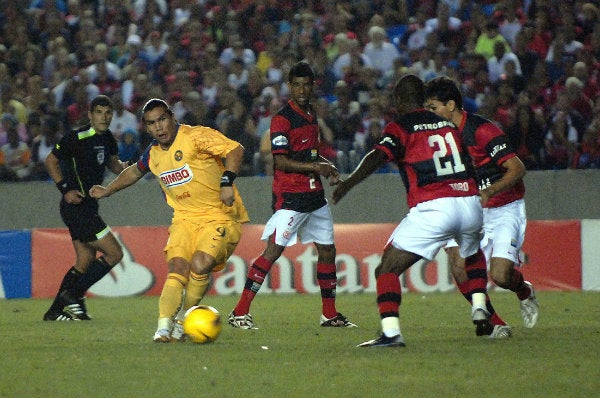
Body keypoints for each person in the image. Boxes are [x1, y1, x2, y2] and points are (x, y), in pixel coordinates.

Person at [332, 74, 489, 347]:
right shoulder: (448, 125)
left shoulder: (401, 126)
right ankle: (478, 305)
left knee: (387, 269)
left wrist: (349, 183)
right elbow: (469, 162)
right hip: (469, 200)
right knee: (471, 252)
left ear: (401, 99)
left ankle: (391, 333)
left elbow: (378, 155)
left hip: (433, 205)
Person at [89, 98, 249, 343]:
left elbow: (235, 149)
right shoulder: (153, 154)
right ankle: (164, 327)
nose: (159, 127)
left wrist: (227, 181)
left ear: (172, 117)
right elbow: (134, 171)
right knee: (177, 269)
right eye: (152, 123)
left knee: (201, 263)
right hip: (184, 219)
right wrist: (108, 190)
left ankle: (184, 319)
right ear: (147, 127)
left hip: (219, 215)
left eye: (162, 119)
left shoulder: (196, 136)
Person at [228, 61, 356, 330]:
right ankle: (239, 312)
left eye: (306, 84)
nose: (301, 89)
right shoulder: (282, 119)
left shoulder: (311, 115)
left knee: (328, 250)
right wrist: (315, 166)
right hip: (291, 197)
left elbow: (308, 154)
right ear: (289, 86)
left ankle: (329, 314)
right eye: (296, 84)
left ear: (312, 86)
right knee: (272, 251)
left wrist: (326, 165)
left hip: (314, 196)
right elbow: (282, 161)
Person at [424, 76, 539, 330]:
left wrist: (489, 192)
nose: (429, 114)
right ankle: (495, 323)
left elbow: (517, 169)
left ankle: (523, 291)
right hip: (468, 210)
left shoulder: (482, 130)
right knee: (459, 266)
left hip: (505, 207)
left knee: (500, 276)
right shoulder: (437, 137)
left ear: (451, 105)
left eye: (433, 108)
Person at [43, 95, 128, 321]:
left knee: (84, 260)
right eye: (99, 112)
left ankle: (54, 312)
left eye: (108, 112)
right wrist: (65, 189)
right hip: (76, 207)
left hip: (88, 208)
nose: (104, 117)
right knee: (115, 253)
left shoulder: (108, 138)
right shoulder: (76, 137)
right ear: (90, 115)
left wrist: (128, 168)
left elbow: (113, 164)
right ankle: (71, 295)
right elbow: (50, 161)